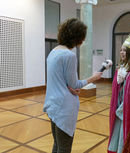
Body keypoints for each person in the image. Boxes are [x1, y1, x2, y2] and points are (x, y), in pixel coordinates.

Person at [43, 18, 102, 153]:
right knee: (64, 148)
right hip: (64, 108)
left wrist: (72, 88)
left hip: (53, 105)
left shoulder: (53, 52)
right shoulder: (69, 55)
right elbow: (74, 84)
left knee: (57, 144)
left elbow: (63, 82)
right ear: (78, 36)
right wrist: (94, 77)